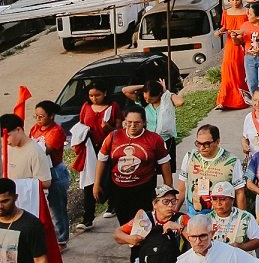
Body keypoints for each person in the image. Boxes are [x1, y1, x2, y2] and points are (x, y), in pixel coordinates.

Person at [94, 105, 172, 226]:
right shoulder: (113, 137)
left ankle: (142, 243)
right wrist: (97, 184)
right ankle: (131, 243)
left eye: (137, 123)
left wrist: (168, 189)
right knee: (124, 222)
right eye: (129, 122)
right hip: (119, 189)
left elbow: (165, 164)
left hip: (144, 188)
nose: (132, 126)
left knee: (144, 221)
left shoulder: (154, 139)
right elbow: (101, 160)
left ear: (144, 123)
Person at [76, 80, 121, 228]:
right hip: (90, 148)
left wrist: (108, 127)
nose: (94, 98)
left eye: (97, 95)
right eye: (91, 95)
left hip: (109, 146)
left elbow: (119, 131)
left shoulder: (113, 107)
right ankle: (88, 218)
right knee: (89, 181)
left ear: (105, 93)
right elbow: (80, 125)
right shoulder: (86, 106)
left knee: (109, 177)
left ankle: (112, 204)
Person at [176, 124, 245, 216]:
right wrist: (173, 213)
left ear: (217, 141)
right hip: (194, 215)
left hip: (220, 216)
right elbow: (181, 189)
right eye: (198, 143)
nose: (201, 148)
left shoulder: (232, 161)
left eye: (206, 144)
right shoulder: (190, 157)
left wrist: (241, 218)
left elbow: (239, 192)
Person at [113, 184, 189, 263]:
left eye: (173, 201)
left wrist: (179, 227)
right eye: (166, 202)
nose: (170, 205)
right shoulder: (144, 219)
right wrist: (129, 239)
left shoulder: (182, 219)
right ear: (154, 204)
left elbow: (197, 239)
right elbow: (117, 234)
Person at [28, 102, 68, 246]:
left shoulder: (56, 131)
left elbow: (45, 150)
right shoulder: (35, 128)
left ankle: (61, 239)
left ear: (51, 116)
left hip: (55, 171)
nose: (38, 119)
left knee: (57, 207)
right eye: (36, 116)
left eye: (41, 116)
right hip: (39, 170)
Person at [121, 79, 185, 165]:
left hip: (165, 140)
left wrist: (165, 91)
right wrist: (145, 87)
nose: (147, 100)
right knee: (150, 167)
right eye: (145, 97)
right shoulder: (143, 103)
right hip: (149, 141)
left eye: (151, 98)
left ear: (159, 94)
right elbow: (125, 90)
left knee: (166, 167)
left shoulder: (166, 101)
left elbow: (180, 102)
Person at [215, 0, 250, 110]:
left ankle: (241, 98)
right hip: (230, 44)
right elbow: (225, 27)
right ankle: (224, 100)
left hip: (243, 43)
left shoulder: (247, 11)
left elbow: (249, 27)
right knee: (227, 69)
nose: (235, 2)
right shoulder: (226, 12)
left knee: (241, 70)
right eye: (233, 0)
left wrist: (240, 33)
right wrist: (219, 32)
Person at [0, 177, 47, 263]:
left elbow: (40, 259)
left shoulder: (32, 225)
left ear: (15, 197)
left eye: (4, 201)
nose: (0, 206)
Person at [179, 213, 259, 263]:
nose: (198, 241)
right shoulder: (184, 260)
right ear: (188, 237)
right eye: (193, 237)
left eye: (202, 236)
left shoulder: (230, 253)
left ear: (212, 234)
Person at [208, 182, 259, 252]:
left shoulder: (245, 217)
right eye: (214, 199)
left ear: (232, 200)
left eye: (222, 199)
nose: (218, 203)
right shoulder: (207, 219)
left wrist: (241, 247)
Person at [0, 114, 51, 187]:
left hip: (28, 197)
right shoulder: (7, 147)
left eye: (7, 136)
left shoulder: (35, 151)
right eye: (2, 138)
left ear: (18, 130)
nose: (5, 141)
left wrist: (18, 184)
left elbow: (46, 182)